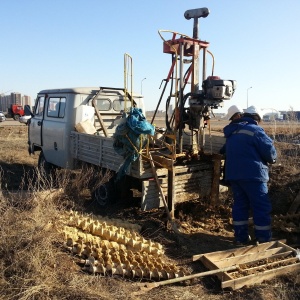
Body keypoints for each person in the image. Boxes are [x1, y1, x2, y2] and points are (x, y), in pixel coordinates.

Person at [223, 105, 277, 245]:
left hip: (234, 176)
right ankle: (263, 238)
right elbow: (269, 152)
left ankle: (240, 238)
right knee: (260, 206)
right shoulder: (255, 130)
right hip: (254, 175)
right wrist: (273, 159)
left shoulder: (233, 132)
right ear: (257, 118)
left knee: (240, 205)